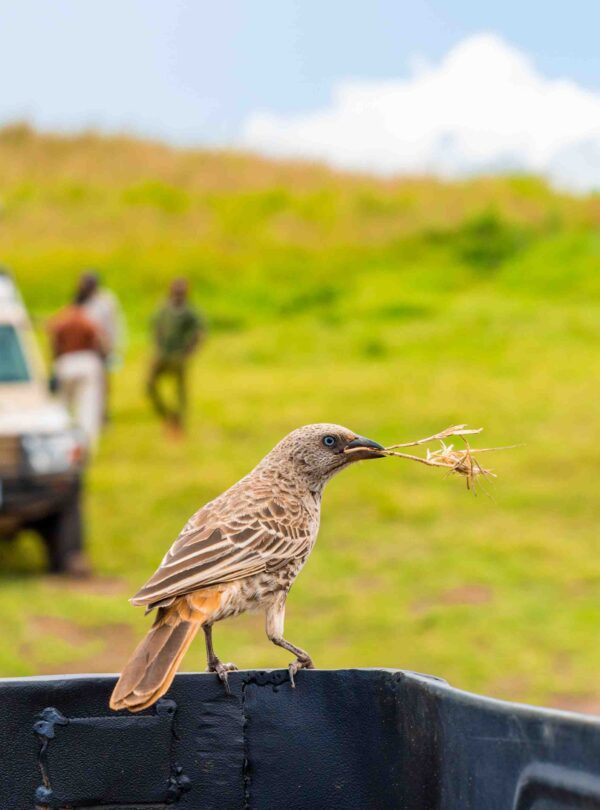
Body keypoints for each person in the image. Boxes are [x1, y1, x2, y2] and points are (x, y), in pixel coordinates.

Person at [47, 288, 106, 448]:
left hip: (65, 363)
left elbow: (53, 339)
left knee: (62, 405)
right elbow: (100, 343)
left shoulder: (63, 317)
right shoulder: (87, 319)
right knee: (87, 408)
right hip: (86, 363)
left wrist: (54, 365)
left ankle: (59, 442)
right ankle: (85, 445)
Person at [147, 279, 205, 434]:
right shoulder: (164, 308)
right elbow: (156, 327)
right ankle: (167, 415)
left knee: (179, 391)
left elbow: (199, 332)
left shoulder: (189, 312)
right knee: (150, 385)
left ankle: (179, 423)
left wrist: (190, 351)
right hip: (162, 355)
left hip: (178, 357)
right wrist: (156, 347)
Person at [77, 270, 125, 422]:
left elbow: (114, 324)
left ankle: (104, 414)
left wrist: (114, 346)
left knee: (103, 383)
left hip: (102, 347)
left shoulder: (106, 300)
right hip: (85, 348)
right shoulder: (80, 300)